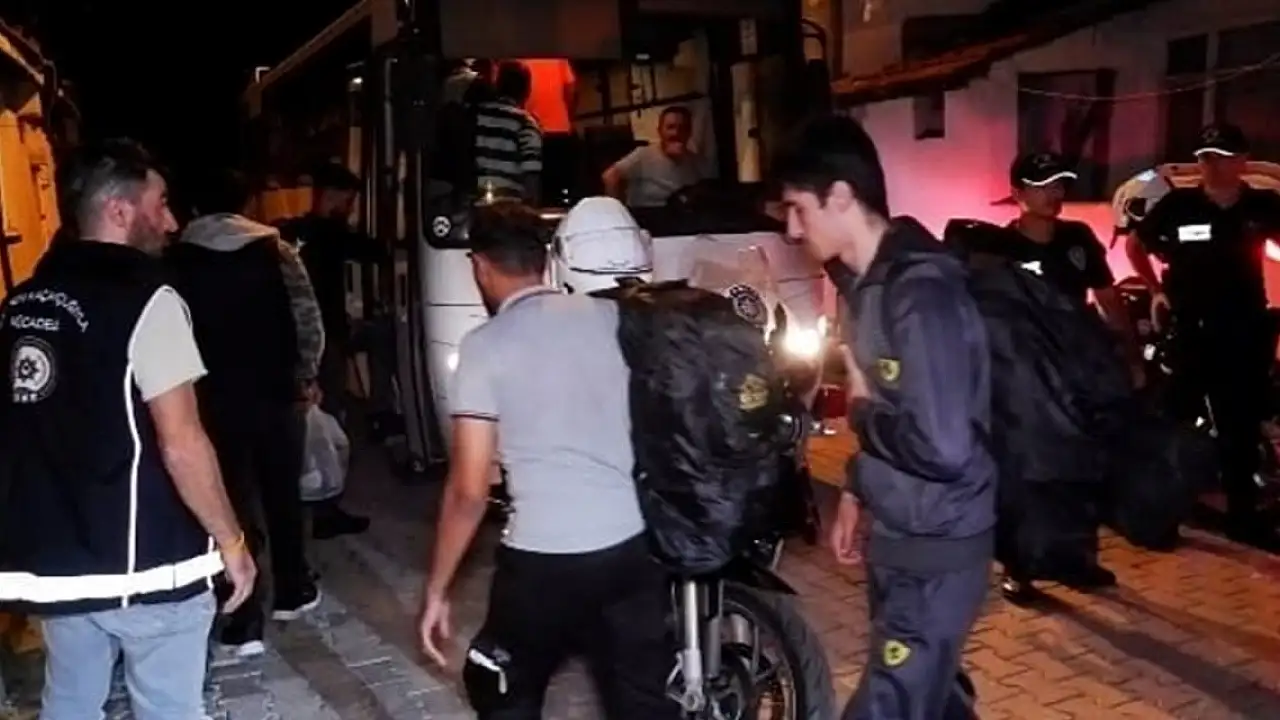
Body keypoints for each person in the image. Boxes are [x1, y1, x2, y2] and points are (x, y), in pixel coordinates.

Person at [0, 139, 256, 719]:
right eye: (159, 203)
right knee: (168, 708)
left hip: (60, 569)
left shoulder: (21, 304)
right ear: (120, 210)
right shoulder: (148, 302)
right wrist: (232, 543)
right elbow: (182, 443)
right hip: (147, 562)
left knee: (70, 704)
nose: (171, 221)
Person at [418, 202, 678, 719]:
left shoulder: (484, 347)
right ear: (545, 261)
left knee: (500, 688)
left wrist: (437, 589)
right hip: (631, 551)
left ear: (479, 266)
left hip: (542, 563)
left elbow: (470, 491)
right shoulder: (612, 317)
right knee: (640, 703)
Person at [775, 115, 992, 720]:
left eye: (798, 208)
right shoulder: (862, 289)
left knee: (889, 703)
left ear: (841, 196)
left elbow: (944, 446)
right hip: (902, 538)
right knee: (935, 702)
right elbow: (895, 411)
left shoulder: (921, 295)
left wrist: (863, 415)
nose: (792, 229)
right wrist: (856, 488)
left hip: (938, 548)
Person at [167, 169, 324, 657]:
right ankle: (293, 590)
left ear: (194, 208)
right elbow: (307, 320)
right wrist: (306, 374)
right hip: (275, 390)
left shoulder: (176, 259)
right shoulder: (275, 249)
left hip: (211, 399)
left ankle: (243, 616)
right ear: (245, 203)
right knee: (283, 493)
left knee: (230, 503)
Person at [1126, 122, 1280, 551]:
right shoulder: (1178, 205)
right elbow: (1136, 245)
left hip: (1242, 332)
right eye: (1205, 157)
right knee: (1173, 426)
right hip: (1190, 331)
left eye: (1222, 157)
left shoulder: (1262, 206)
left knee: (1240, 427)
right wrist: (1155, 290)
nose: (1212, 165)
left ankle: (1243, 518)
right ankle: (1159, 513)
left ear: (1241, 161)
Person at [995, 151, 1134, 602]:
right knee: (1026, 475)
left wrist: (1126, 352)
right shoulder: (1000, 249)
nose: (1054, 193)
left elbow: (1107, 297)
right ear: (1017, 193)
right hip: (1026, 381)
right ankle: (1019, 568)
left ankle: (1079, 560)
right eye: (1043, 185)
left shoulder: (1077, 239)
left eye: (1059, 184)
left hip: (1077, 374)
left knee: (1081, 470)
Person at [278, 161, 375, 539]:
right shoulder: (332, 233)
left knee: (304, 426)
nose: (349, 210)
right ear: (332, 196)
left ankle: (306, 502)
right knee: (328, 421)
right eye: (347, 201)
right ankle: (325, 509)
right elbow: (376, 252)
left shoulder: (289, 233)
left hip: (292, 342)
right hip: (325, 342)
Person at [602, 105, 705, 208]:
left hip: (681, 213)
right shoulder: (644, 154)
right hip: (647, 212)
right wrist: (617, 211)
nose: (676, 133)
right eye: (670, 127)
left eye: (682, 128)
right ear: (660, 131)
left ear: (689, 132)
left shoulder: (694, 160)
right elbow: (610, 176)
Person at [474, 61, 543, 204]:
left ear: (498, 85)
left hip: (475, 200)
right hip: (509, 206)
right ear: (526, 90)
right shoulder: (525, 123)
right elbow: (531, 172)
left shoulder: (476, 115)